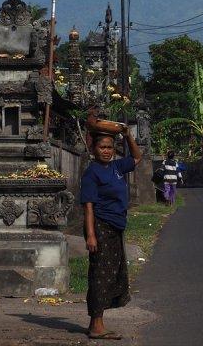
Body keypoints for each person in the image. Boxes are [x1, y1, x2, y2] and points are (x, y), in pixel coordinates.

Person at [80, 125, 142, 340]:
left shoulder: (116, 167)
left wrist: (127, 136)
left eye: (109, 147)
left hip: (116, 226)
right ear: (94, 148)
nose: (106, 151)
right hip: (101, 226)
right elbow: (88, 206)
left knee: (112, 273)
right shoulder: (91, 172)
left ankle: (95, 324)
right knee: (100, 275)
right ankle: (97, 326)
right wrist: (90, 235)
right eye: (102, 147)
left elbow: (136, 158)